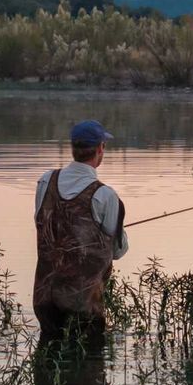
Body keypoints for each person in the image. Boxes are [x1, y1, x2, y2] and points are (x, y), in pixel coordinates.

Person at [33, 119, 129, 348]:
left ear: (73, 149)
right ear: (100, 149)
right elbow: (117, 251)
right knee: (87, 372)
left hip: (44, 300)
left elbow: (43, 224)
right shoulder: (106, 196)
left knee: (47, 371)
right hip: (84, 305)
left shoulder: (46, 181)